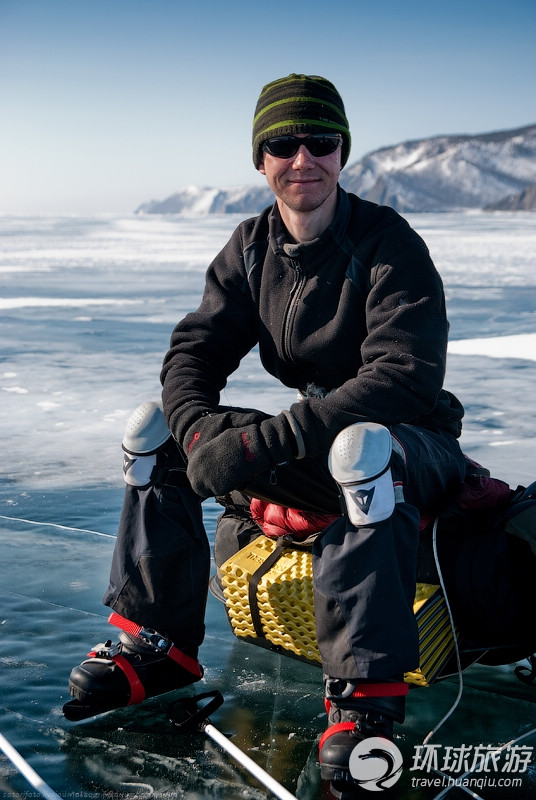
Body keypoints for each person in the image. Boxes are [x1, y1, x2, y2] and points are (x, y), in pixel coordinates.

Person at [65, 73, 472, 791]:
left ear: (343, 153)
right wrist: (196, 436)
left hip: (414, 444)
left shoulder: (387, 244)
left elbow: (403, 378)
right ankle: (158, 644)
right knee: (153, 430)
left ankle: (364, 703)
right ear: (261, 158)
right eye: (284, 143)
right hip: (321, 441)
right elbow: (194, 353)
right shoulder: (252, 248)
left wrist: (261, 446)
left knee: (362, 449)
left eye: (323, 141)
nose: (303, 158)